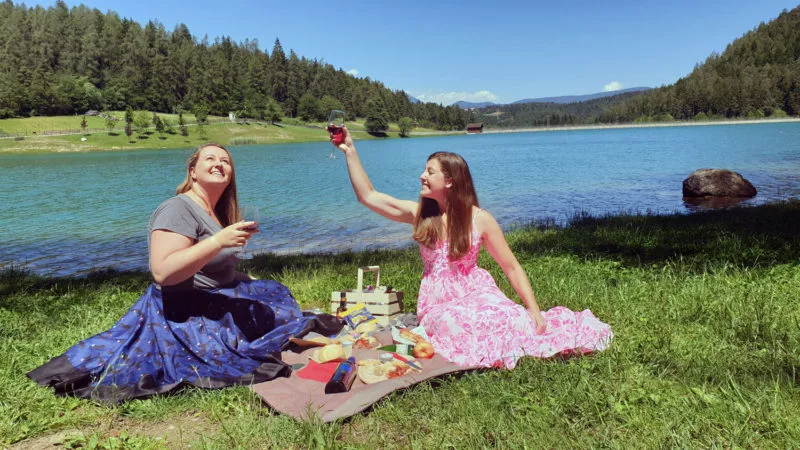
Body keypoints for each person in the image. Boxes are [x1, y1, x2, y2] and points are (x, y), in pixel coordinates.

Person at [28, 143, 340, 403]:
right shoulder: (177, 209)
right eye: (210, 158)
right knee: (236, 352)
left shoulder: (215, 214)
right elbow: (163, 272)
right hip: (184, 307)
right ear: (192, 171)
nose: (219, 164)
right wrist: (219, 240)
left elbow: (212, 268)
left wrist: (246, 277)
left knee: (277, 296)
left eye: (225, 161)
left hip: (215, 294)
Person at [334, 130, 612, 368]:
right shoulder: (420, 214)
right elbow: (368, 196)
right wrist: (350, 151)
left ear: (450, 181)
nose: (421, 176)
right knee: (456, 325)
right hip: (439, 303)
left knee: (513, 319)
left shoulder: (481, 219)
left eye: (429, 172)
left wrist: (535, 310)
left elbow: (511, 267)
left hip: (478, 292)